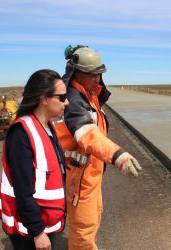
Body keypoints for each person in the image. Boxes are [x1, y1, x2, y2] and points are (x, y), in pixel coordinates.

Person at [55, 45, 142, 249]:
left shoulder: (88, 94)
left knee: (94, 219)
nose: (97, 79)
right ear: (77, 73)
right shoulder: (73, 100)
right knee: (83, 231)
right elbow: (88, 135)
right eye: (92, 75)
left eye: (99, 74)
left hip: (92, 173)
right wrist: (118, 155)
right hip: (79, 176)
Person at [0, 69, 69, 250]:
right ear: (44, 98)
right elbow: (23, 189)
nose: (67, 102)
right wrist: (38, 232)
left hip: (47, 219)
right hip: (30, 229)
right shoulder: (21, 133)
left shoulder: (49, 127)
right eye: (62, 97)